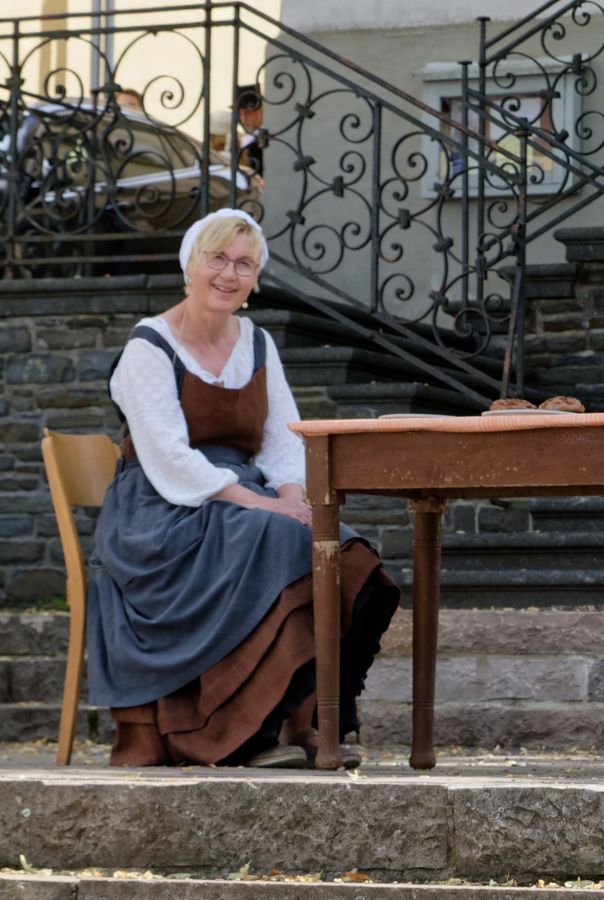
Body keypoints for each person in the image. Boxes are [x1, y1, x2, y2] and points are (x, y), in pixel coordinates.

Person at [87, 208, 400, 768]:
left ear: (255, 279)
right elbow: (168, 457)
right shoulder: (148, 348)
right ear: (191, 264)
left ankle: (303, 719)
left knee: (340, 550)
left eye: (244, 265)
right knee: (276, 541)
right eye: (218, 259)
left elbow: (283, 442)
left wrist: (288, 495)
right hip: (162, 506)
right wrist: (259, 502)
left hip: (241, 496)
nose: (229, 274)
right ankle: (243, 733)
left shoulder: (256, 342)